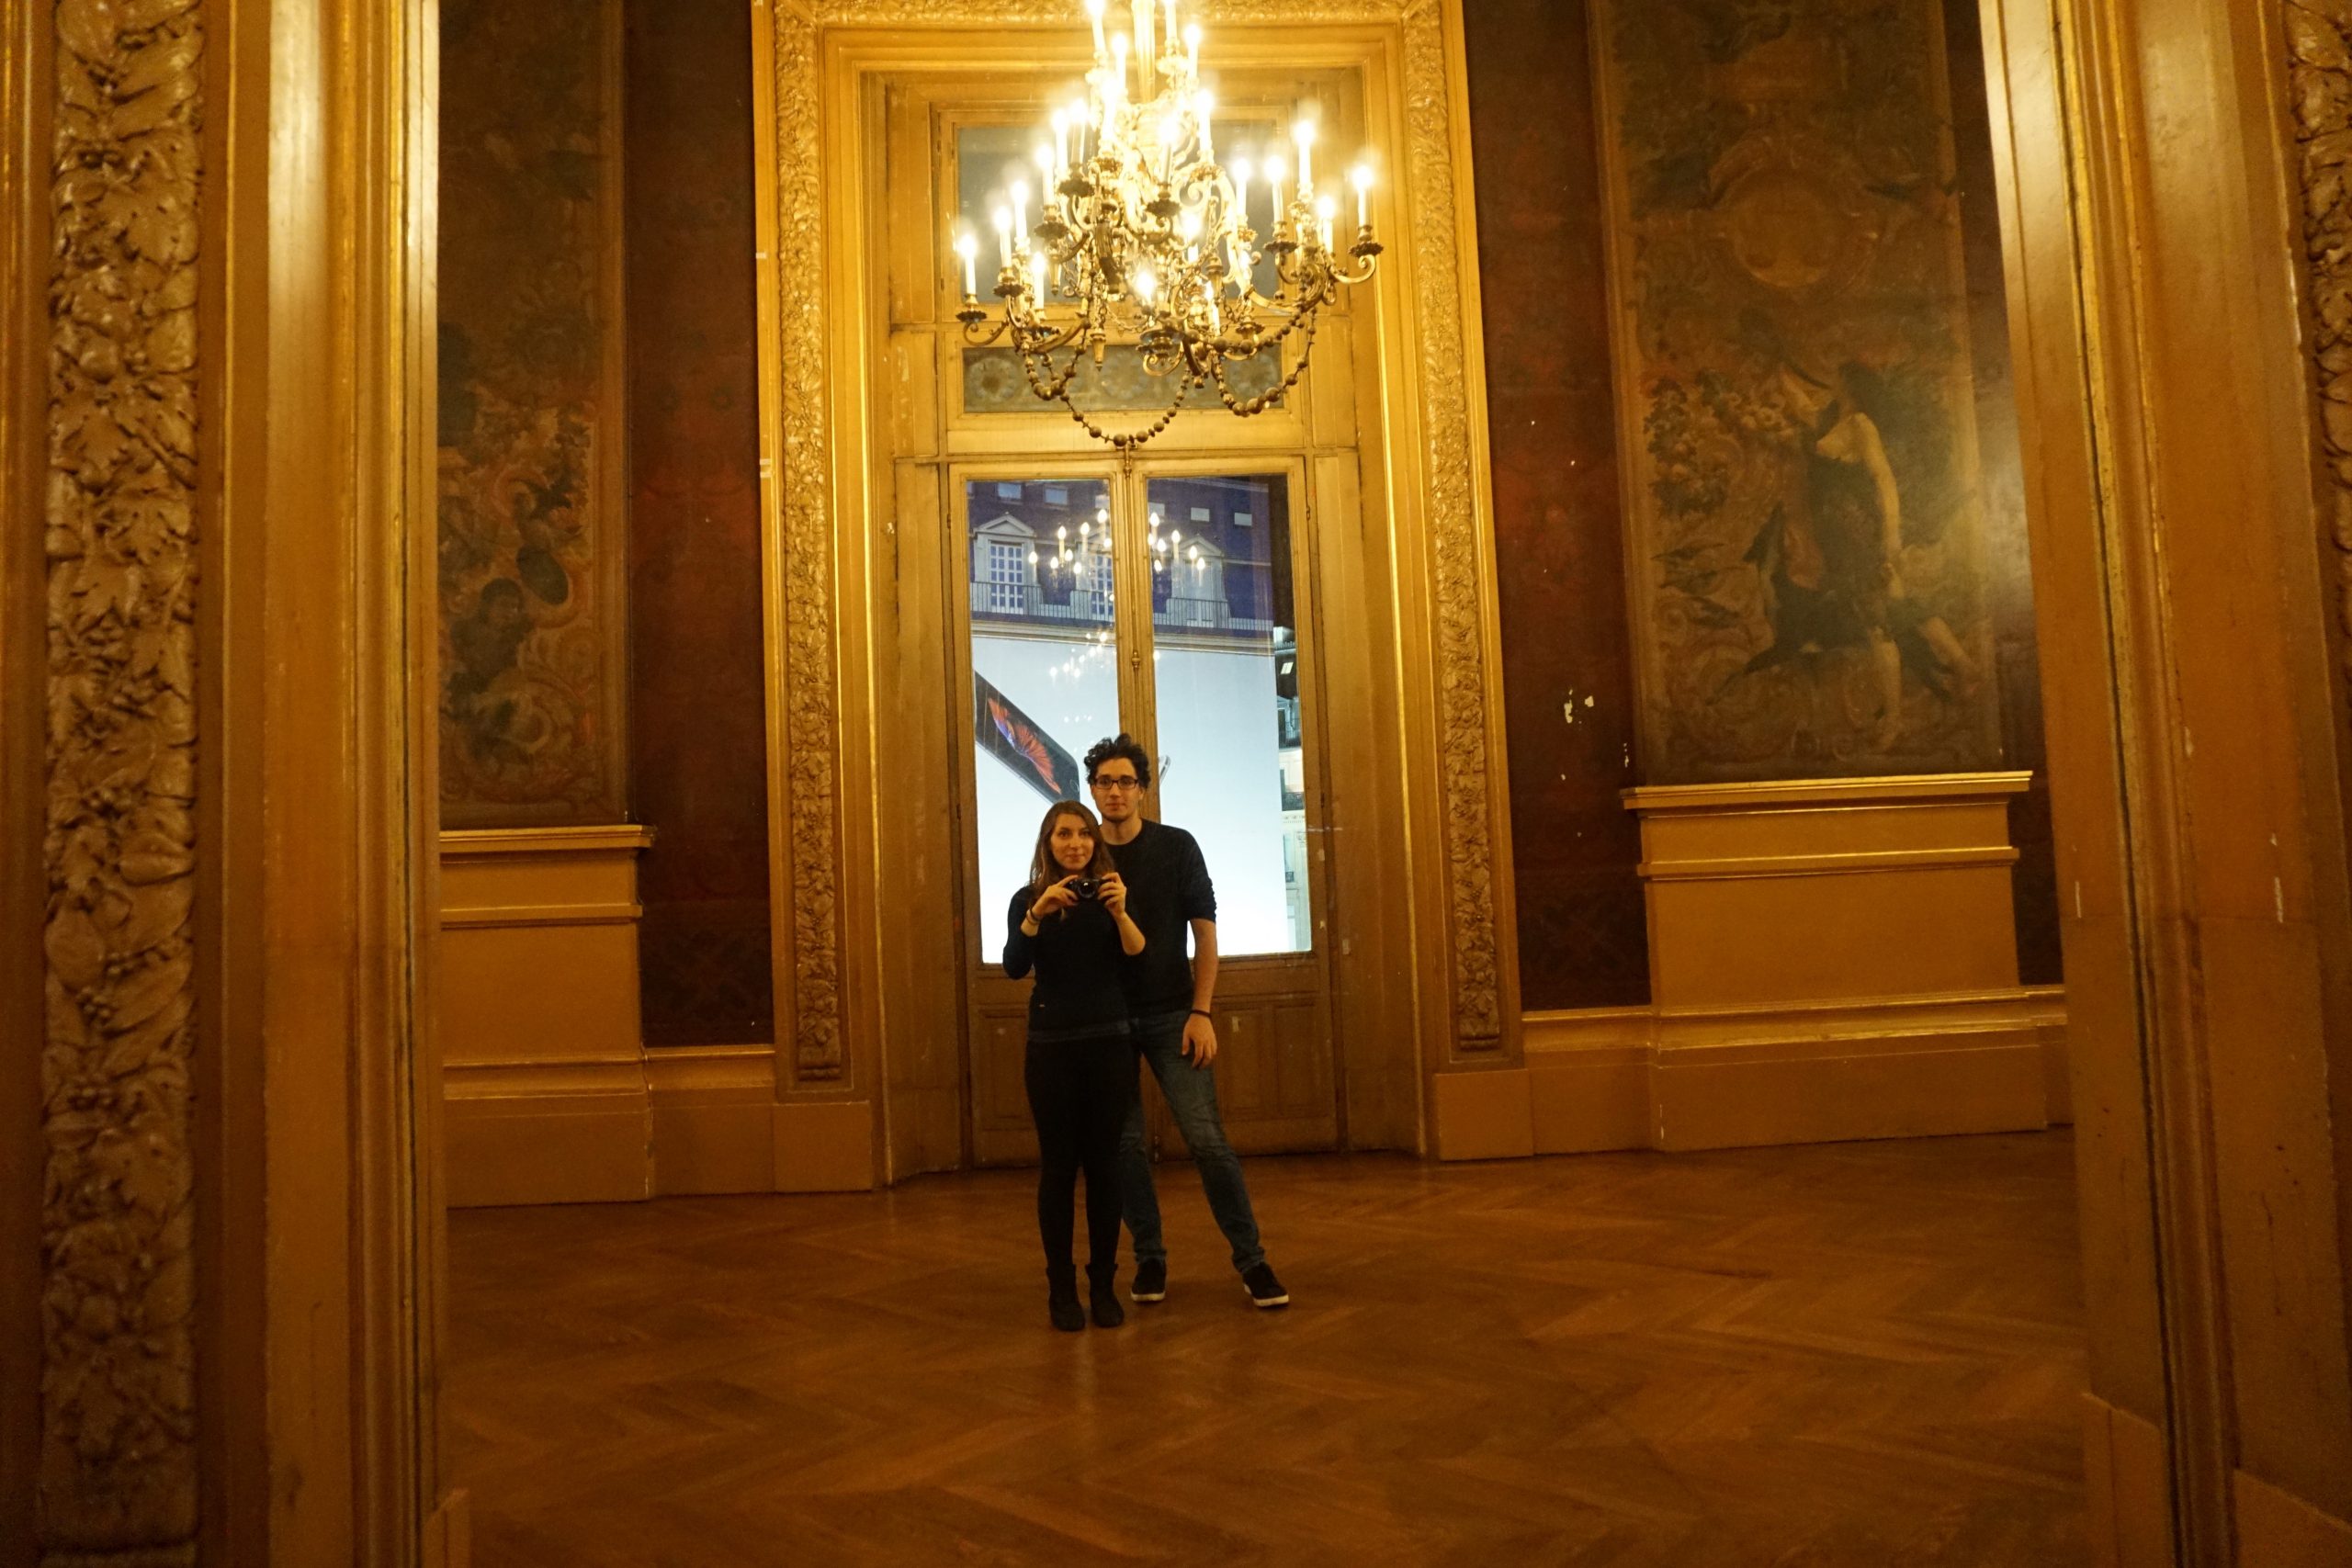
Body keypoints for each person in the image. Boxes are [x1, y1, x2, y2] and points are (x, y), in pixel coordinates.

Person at [1083, 734, 1289, 1310]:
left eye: (1126, 781)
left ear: (1143, 790)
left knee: (1207, 1141)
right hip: (1107, 1022)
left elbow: (1206, 933)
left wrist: (1202, 1012)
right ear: (1092, 790)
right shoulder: (1083, 851)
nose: (1116, 791)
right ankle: (1150, 1257)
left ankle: (1252, 1260)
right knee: (1123, 1147)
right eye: (1105, 781)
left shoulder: (1177, 847)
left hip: (1175, 1009)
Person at [1001, 800, 1147, 1331]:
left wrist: (1121, 912)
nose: (1075, 844)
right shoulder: (1029, 898)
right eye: (1063, 835)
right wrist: (1037, 912)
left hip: (1108, 1045)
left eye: (1083, 835)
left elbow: (1139, 954)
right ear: (1048, 842)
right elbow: (1016, 966)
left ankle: (1104, 1285)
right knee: (1059, 1170)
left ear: (1095, 842)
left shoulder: (1113, 891)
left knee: (1106, 1168)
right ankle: (1061, 1290)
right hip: (1052, 1050)